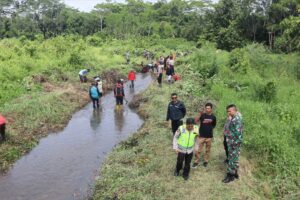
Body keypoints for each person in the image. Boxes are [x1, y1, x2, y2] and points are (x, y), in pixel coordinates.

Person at [222, 104, 243, 183]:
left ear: (234, 110)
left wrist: (234, 143)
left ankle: (230, 176)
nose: (228, 113)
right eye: (227, 111)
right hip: (233, 142)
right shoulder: (235, 117)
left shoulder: (236, 119)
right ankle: (235, 173)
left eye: (229, 111)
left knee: (231, 159)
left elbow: (238, 134)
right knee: (235, 159)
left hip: (234, 143)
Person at [192, 103, 217, 168]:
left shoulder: (213, 117)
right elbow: (195, 121)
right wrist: (199, 114)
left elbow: (214, 125)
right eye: (206, 108)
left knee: (207, 150)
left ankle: (206, 161)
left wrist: (209, 129)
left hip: (209, 136)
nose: (207, 109)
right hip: (201, 136)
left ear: (211, 109)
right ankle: (196, 162)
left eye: (208, 108)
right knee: (198, 150)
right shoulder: (202, 115)